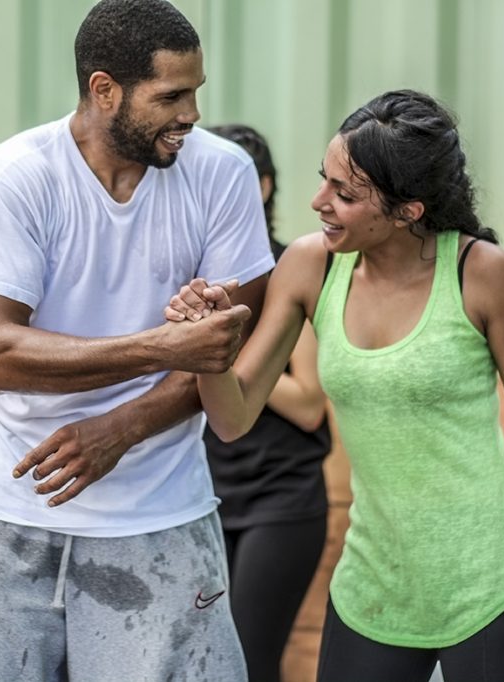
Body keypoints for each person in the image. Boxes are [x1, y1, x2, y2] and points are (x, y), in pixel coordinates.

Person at [165, 90, 504, 682]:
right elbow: (233, 418)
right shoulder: (310, 266)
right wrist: (205, 345)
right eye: (323, 180)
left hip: (489, 579)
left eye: (345, 194)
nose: (318, 202)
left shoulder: (482, 273)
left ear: (408, 210)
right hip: (374, 585)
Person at [0, 1, 275, 680]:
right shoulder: (12, 177)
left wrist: (123, 426)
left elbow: (222, 345)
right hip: (9, 514)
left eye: (196, 92)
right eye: (170, 96)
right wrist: (159, 347)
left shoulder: (224, 172)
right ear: (104, 89)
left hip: (162, 517)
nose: (192, 114)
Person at [203, 124, 332, 682]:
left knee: (249, 663)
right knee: (203, 661)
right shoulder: (194, 275)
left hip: (279, 497)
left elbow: (308, 403)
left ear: (261, 187)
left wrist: (220, 353)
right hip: (203, 495)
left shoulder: (287, 270)